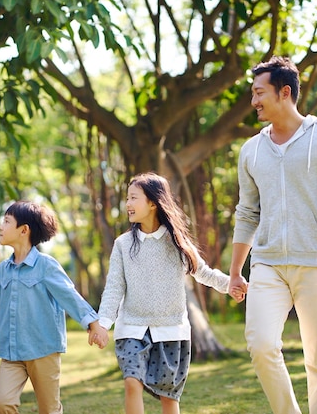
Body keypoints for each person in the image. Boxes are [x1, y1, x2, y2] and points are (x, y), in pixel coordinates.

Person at [227, 56, 317, 414]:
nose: (254, 101)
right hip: (268, 264)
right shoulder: (251, 150)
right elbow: (247, 213)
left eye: (260, 93)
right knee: (260, 345)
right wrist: (235, 271)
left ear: (284, 92)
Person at [0, 200, 106, 414]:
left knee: (49, 409)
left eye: (6, 222)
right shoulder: (3, 270)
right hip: (12, 352)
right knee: (4, 403)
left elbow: (69, 296)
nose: (0, 227)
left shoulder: (46, 266)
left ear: (24, 230)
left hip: (43, 350)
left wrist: (93, 323)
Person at [94, 172, 231, 414]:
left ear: (153, 203)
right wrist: (103, 323)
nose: (127, 204)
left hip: (171, 330)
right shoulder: (123, 245)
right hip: (132, 329)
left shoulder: (177, 243)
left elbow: (205, 273)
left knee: (168, 396)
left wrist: (231, 285)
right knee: (131, 382)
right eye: (127, 198)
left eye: (133, 198)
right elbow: (114, 287)